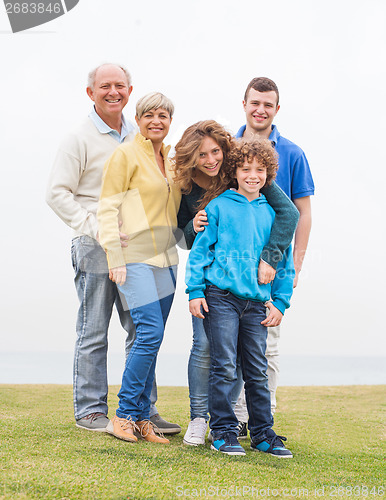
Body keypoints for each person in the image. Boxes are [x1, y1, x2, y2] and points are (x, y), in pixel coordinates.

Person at [46, 64, 180, 435]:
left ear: (130, 90)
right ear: (91, 93)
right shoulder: (79, 138)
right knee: (94, 330)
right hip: (93, 243)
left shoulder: (141, 137)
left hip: (141, 248)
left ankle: (143, 410)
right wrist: (101, 231)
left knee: (141, 328)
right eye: (104, 86)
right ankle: (91, 411)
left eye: (120, 86)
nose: (113, 92)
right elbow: (56, 194)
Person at [173, 120, 299, 446]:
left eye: (259, 171)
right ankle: (221, 430)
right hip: (220, 297)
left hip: (256, 302)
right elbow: (195, 250)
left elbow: (282, 260)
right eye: (245, 169)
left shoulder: (271, 211)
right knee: (223, 363)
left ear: (268, 175)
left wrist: (281, 302)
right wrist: (195, 291)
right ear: (236, 171)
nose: (252, 175)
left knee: (255, 369)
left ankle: (262, 434)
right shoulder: (215, 205)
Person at [97, 92, 181, 445]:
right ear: (139, 117)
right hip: (134, 258)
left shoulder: (173, 159)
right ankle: (124, 414)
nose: (156, 121)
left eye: (163, 115)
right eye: (149, 115)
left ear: (170, 120)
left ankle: (144, 419)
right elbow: (106, 207)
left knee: (154, 337)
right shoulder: (126, 153)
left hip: (168, 260)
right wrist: (114, 256)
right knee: (148, 332)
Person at [233, 77, 314, 429]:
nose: (261, 110)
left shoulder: (293, 153)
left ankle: (262, 419)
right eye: (255, 103)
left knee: (267, 345)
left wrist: (295, 263)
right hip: (231, 264)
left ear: (276, 109)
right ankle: (231, 418)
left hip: (274, 266)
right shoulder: (229, 148)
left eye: (268, 104)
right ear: (245, 104)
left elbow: (303, 211)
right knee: (227, 346)